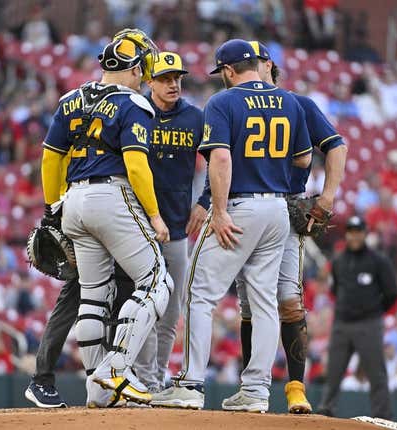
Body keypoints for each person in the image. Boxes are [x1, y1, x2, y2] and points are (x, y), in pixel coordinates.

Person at [151, 39, 313, 412]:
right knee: (263, 302)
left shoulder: (223, 102)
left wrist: (219, 210)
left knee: (199, 294)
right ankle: (256, 392)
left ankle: (190, 384)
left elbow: (220, 158)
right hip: (277, 210)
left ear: (228, 70)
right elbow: (304, 158)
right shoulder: (288, 100)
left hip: (239, 207)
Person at [27, 29, 172, 409]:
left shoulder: (71, 99)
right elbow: (137, 165)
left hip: (72, 200)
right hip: (112, 194)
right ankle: (117, 367)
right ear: (136, 68)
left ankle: (98, 390)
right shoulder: (134, 104)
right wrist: (154, 215)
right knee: (157, 280)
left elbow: (50, 157)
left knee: (93, 297)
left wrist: (51, 208)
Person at [235, 41, 347, 414]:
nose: (251, 68)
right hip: (244, 206)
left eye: (256, 62)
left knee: (288, 299)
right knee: (250, 303)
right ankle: (251, 388)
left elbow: (336, 145)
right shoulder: (232, 102)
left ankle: (296, 387)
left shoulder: (296, 103)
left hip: (285, 208)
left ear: (269, 65)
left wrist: (327, 196)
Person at [133, 51, 205, 392]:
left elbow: (221, 158)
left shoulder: (195, 118)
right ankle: (142, 378)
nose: (173, 84)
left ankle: (157, 374)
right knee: (145, 304)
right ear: (150, 82)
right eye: (165, 78)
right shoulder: (136, 112)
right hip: (138, 226)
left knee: (171, 310)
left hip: (176, 227)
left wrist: (205, 202)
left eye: (177, 78)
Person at [317, 216, 397, 419]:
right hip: (342, 323)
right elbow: (336, 290)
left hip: (368, 323)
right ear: (347, 234)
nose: (354, 235)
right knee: (333, 373)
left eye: (358, 231)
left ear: (364, 233)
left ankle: (382, 417)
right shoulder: (338, 260)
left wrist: (374, 311)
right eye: (351, 231)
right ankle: (326, 412)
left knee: (376, 373)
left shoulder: (378, 260)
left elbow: (391, 293)